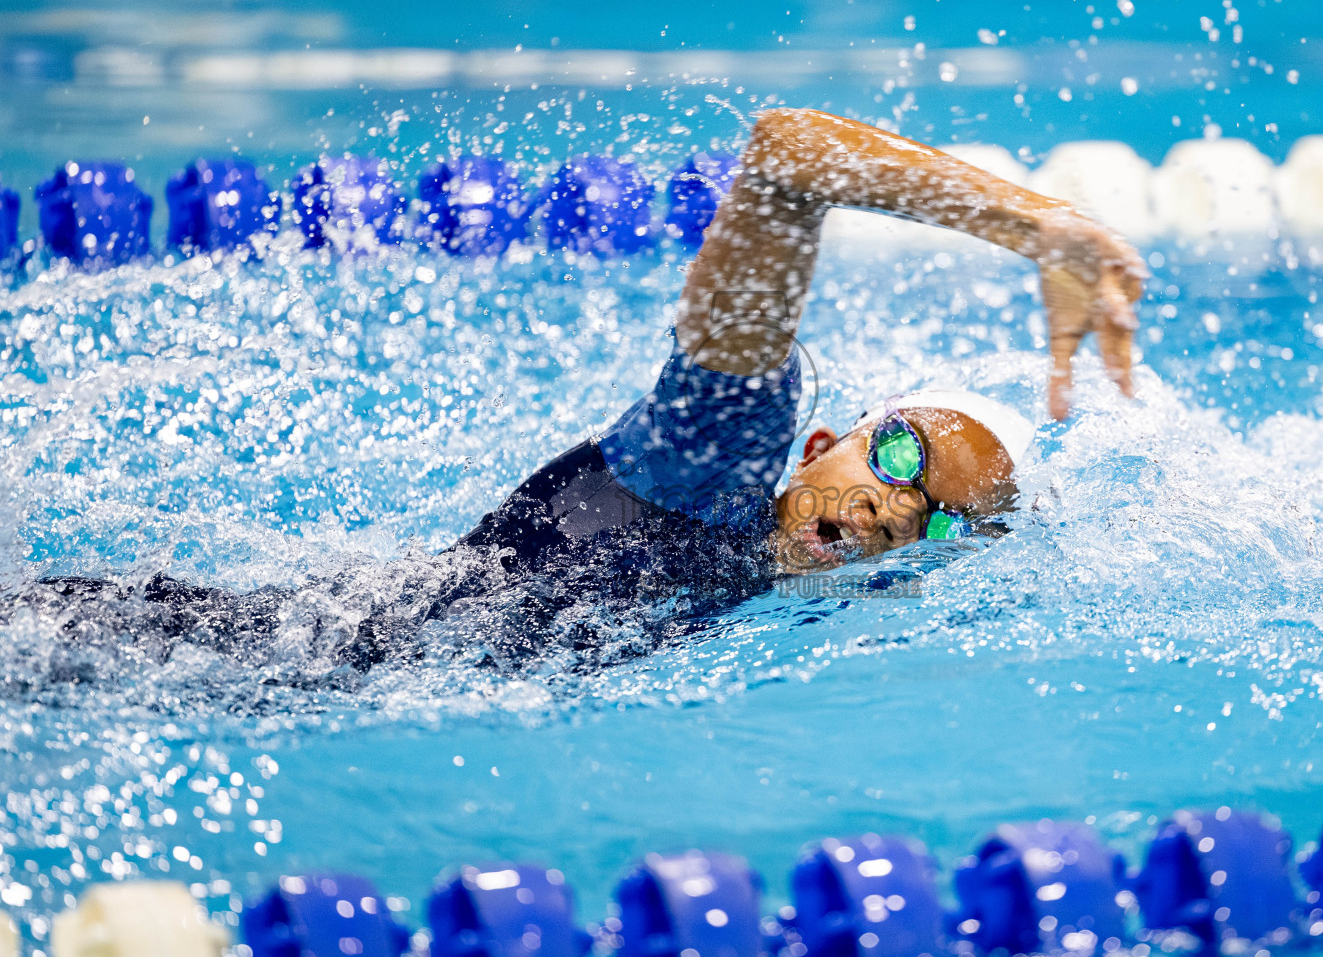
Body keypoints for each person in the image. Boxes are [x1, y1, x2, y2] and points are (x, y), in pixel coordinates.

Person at [34, 108, 1147, 674]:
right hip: (153, 648)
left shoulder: (753, 597)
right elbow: (788, 153)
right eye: (901, 457)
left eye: (936, 514)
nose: (897, 507)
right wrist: (1036, 223)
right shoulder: (713, 456)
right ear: (819, 443)